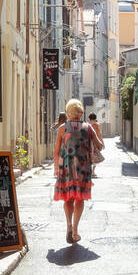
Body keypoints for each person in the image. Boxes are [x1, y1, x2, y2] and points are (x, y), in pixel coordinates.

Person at [53, 99, 95, 242]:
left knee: (68, 199)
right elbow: (100, 145)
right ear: (81, 112)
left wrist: (56, 169)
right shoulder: (87, 127)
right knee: (80, 199)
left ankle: (69, 226)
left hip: (66, 168)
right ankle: (75, 231)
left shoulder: (62, 128)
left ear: (68, 113)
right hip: (82, 169)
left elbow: (57, 152)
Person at [88, 112, 105, 177]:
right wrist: (102, 143)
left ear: (89, 118)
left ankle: (89, 171)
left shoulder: (87, 124)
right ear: (95, 118)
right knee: (96, 156)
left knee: (89, 156)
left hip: (88, 143)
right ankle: (93, 171)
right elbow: (99, 134)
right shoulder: (96, 125)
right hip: (95, 143)